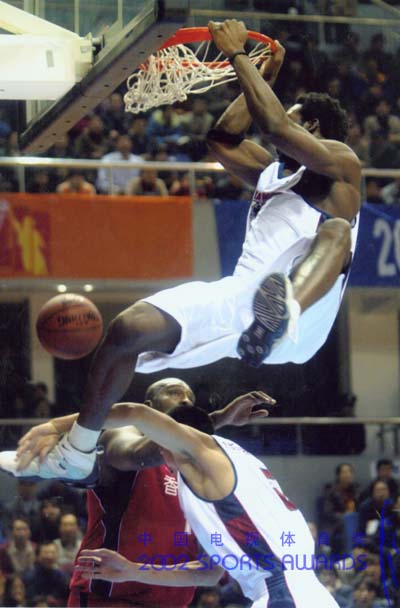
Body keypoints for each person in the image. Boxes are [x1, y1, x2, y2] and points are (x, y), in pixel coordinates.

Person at [1, 19, 361, 482]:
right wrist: (263, 75)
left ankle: (283, 309)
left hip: (306, 317)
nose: (281, 122)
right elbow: (222, 139)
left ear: (311, 127)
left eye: (295, 118)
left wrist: (236, 55)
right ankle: (77, 451)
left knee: (336, 233)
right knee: (128, 330)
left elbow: (273, 123)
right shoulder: (273, 174)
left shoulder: (341, 165)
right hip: (246, 303)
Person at [4, 379, 272, 607]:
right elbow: (136, 453)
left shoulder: (200, 471)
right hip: (108, 599)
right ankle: (56, 463)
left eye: (190, 397)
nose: (185, 400)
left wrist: (136, 571)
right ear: (150, 407)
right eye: (174, 393)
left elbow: (210, 573)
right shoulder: (122, 435)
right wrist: (217, 419)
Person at [74, 401, 340, 608]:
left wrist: (63, 429)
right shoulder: (240, 460)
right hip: (306, 593)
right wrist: (133, 571)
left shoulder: (209, 465)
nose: (159, 452)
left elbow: (135, 412)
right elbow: (209, 572)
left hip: (282, 594)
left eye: (162, 443)